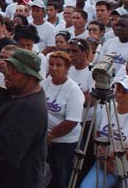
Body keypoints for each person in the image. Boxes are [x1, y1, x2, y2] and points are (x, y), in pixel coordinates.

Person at [0, 48, 49, 187]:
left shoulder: (29, 109)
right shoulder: (20, 93)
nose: (7, 72)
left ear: (29, 76)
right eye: (8, 67)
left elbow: (5, 152)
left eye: (14, 70)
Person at [80, 75, 128, 188]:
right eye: (117, 89)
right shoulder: (107, 107)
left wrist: (110, 156)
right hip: (105, 164)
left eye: (125, 92)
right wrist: (103, 159)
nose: (119, 94)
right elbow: (96, 134)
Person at [42, 51, 85, 188]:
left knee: (61, 177)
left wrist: (50, 135)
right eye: (51, 64)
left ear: (67, 68)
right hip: (44, 139)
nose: (54, 68)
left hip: (64, 142)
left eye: (59, 65)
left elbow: (71, 122)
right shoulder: (45, 82)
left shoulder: (73, 91)